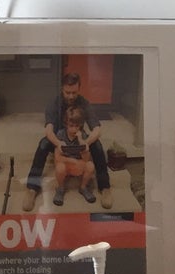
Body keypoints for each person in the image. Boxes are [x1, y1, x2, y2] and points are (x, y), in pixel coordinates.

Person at [21, 71, 113, 211]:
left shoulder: (84, 103)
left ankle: (105, 188)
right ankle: (32, 188)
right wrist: (58, 144)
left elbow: (97, 129)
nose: (70, 96)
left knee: (98, 146)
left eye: (74, 92)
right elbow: (49, 130)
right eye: (67, 92)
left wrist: (87, 143)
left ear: (79, 89)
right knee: (43, 144)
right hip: (60, 141)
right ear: (62, 89)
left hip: (78, 141)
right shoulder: (54, 104)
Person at [52, 105, 97, 205]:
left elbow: (86, 159)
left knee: (90, 166)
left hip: (79, 165)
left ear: (80, 125)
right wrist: (72, 161)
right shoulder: (61, 134)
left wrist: (81, 140)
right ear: (66, 124)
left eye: (77, 126)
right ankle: (60, 188)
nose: (74, 129)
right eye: (71, 126)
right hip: (66, 165)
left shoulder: (82, 135)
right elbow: (57, 157)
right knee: (60, 167)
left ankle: (83, 187)